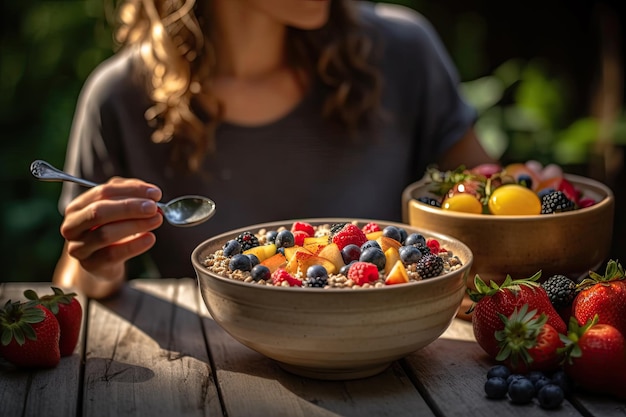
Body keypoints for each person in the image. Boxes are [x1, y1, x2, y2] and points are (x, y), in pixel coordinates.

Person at [53, 0, 495, 299]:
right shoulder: (120, 97)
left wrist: (531, 197)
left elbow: (491, 208)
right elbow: (75, 288)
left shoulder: (403, 51)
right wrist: (99, 262)